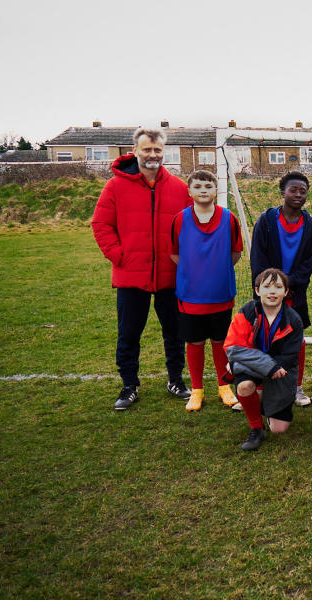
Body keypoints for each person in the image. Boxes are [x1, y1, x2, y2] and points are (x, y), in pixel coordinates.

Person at [92, 127, 192, 410]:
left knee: (174, 332)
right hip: (131, 275)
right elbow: (101, 225)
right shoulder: (115, 186)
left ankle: (176, 380)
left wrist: (184, 262)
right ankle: (129, 385)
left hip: (169, 276)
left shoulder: (178, 188)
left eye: (157, 150)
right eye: (147, 149)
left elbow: (190, 229)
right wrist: (118, 256)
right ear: (134, 150)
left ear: (164, 152)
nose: (152, 155)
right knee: (129, 333)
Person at [170, 170, 243, 411]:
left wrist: (216, 271)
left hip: (220, 294)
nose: (203, 190)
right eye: (198, 186)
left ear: (216, 191)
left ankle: (224, 386)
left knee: (221, 342)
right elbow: (174, 253)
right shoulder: (180, 219)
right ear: (189, 192)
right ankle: (197, 390)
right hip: (191, 295)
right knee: (195, 342)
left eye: (208, 186)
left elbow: (235, 253)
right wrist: (195, 271)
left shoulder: (229, 218)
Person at [250, 171, 312, 407]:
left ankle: (297, 387)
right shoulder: (267, 220)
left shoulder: (311, 226)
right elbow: (257, 257)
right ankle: (260, 386)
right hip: (268, 292)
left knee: (296, 340)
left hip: (294, 293)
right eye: (294, 190)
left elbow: (309, 261)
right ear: (283, 193)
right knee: (263, 337)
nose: (298, 194)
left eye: (303, 191)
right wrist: (269, 286)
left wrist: (289, 286)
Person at [225, 268, 304, 451]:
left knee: (279, 429)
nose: (272, 291)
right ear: (257, 290)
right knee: (244, 386)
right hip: (263, 367)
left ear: (285, 292)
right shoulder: (247, 311)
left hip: (279, 370)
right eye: (267, 286)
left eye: (278, 287)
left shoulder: (294, 319)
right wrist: (267, 365)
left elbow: (289, 358)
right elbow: (233, 348)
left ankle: (263, 400)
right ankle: (256, 428)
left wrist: (271, 367)